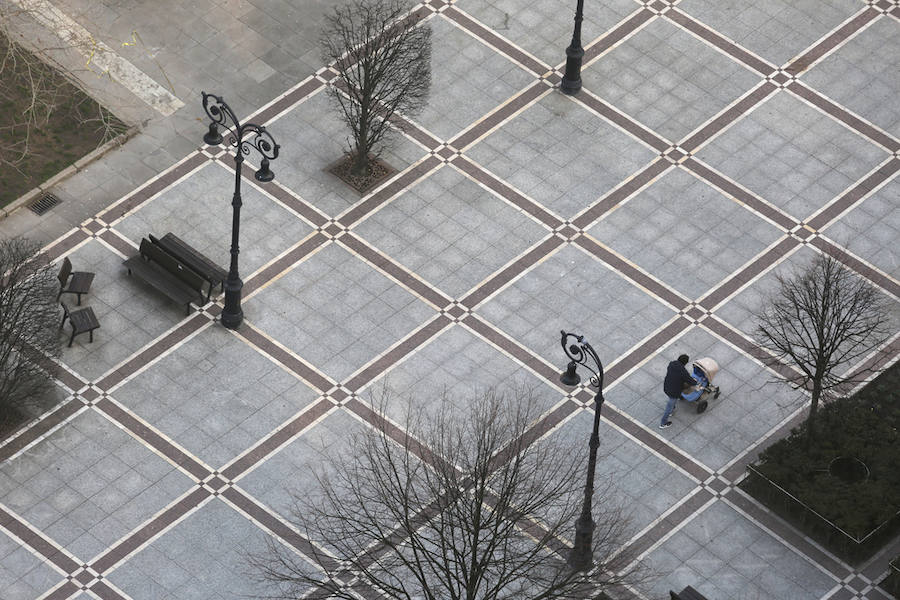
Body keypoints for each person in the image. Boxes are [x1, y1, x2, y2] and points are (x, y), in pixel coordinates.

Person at [659, 354, 697, 429]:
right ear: (685, 363)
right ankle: (663, 423)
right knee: (669, 407)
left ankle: (672, 409)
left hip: (666, 386)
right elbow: (690, 381)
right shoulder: (683, 372)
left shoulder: (671, 364)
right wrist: (695, 382)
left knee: (671, 402)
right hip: (674, 392)